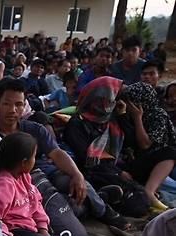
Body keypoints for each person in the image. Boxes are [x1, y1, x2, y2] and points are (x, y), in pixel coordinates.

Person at [0, 78, 129, 233]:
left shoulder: (35, 129)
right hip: (22, 186)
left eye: (18, 104)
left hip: (48, 172)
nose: (13, 110)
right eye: (7, 104)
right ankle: (98, 200)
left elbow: (57, 154)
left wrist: (77, 175)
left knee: (74, 181)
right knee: (58, 212)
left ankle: (105, 211)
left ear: (25, 105)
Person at [63, 76, 151, 219]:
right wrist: (118, 172)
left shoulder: (110, 118)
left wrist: (124, 116)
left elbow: (132, 143)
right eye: (114, 97)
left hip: (115, 167)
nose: (116, 102)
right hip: (93, 172)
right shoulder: (77, 124)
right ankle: (104, 198)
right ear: (100, 98)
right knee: (138, 201)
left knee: (142, 192)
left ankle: (109, 197)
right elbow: (88, 159)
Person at [122, 82, 176, 213]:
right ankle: (150, 193)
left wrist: (137, 118)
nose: (127, 105)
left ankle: (149, 191)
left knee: (170, 152)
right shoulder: (125, 115)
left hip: (159, 164)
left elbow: (145, 144)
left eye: (131, 101)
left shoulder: (157, 115)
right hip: (136, 166)